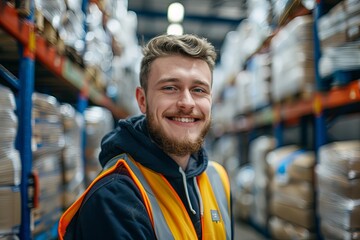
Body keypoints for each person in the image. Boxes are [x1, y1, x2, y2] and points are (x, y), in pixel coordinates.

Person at [58, 34, 233, 240]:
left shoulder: (217, 178)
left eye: (198, 90)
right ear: (142, 100)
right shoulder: (114, 198)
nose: (187, 103)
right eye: (170, 88)